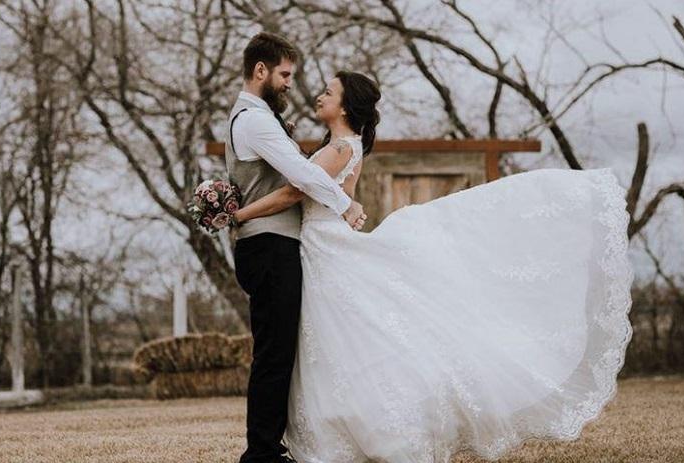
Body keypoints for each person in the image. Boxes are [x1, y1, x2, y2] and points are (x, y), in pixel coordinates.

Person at [234, 70, 635, 462]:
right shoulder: (345, 144)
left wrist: (237, 214)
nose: (319, 96)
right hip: (320, 246)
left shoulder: (339, 149)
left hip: (324, 248)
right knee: (341, 343)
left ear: (344, 107)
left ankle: (368, 426)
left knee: (346, 341)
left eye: (328, 92)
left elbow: (292, 191)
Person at [225, 32, 368, 463]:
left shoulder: (260, 117)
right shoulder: (255, 120)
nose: (290, 83)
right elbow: (298, 180)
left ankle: (270, 447)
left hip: (277, 244)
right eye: (285, 74)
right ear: (261, 70)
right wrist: (345, 204)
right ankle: (262, 453)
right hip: (269, 246)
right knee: (275, 352)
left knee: (282, 350)